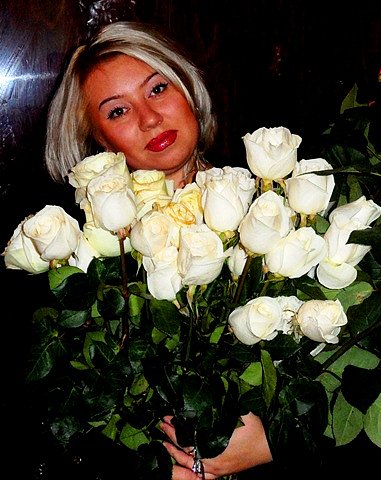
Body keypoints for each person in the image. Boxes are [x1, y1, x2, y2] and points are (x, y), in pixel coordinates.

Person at [44, 20, 273, 479]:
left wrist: (271, 443)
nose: (149, 118)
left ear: (187, 88)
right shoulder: (89, 263)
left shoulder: (272, 215)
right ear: (99, 142)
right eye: (117, 112)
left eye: (158, 88)